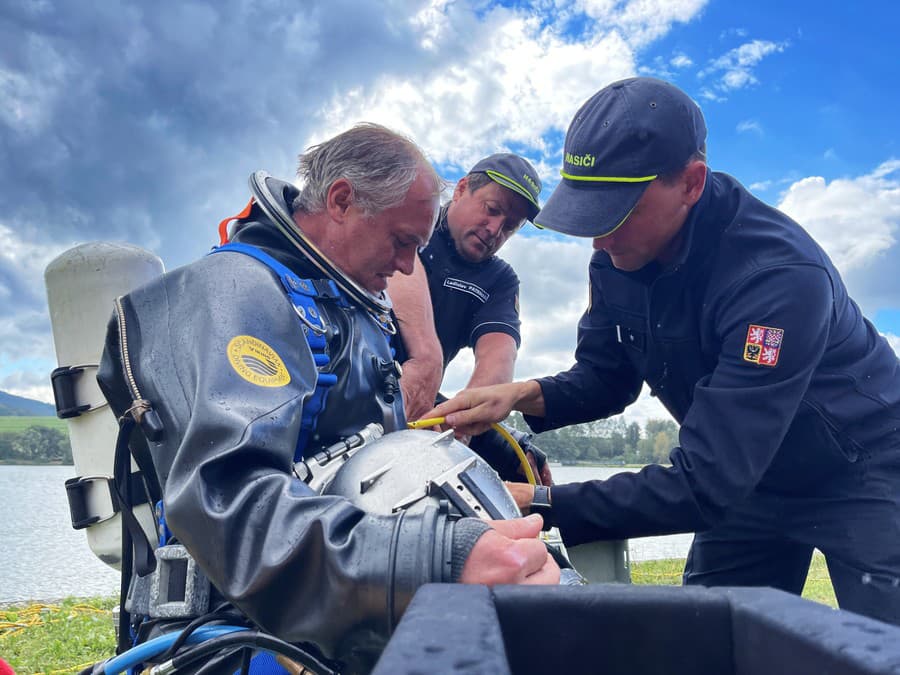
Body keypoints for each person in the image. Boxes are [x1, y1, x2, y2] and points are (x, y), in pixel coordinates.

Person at [427, 77, 900, 625]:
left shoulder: (776, 279)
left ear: (691, 183)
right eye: (587, 212)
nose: (598, 241)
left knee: (885, 644)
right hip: (746, 481)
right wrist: (514, 396)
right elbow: (607, 378)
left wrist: (538, 501)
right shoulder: (616, 256)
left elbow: (706, 480)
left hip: (861, 469)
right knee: (707, 643)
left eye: (616, 211)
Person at [96, 124, 559, 672]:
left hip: (336, 612)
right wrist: (441, 557)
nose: (411, 267)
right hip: (233, 634)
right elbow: (228, 502)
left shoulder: (356, 311)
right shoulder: (236, 292)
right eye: (403, 242)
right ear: (341, 200)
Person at [389, 153, 553, 484]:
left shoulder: (499, 279)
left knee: (523, 462)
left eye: (510, 226)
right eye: (492, 210)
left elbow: (499, 354)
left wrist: (465, 419)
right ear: (462, 188)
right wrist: (427, 357)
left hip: (425, 405)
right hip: (356, 372)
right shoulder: (416, 219)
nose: (495, 230)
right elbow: (398, 258)